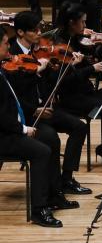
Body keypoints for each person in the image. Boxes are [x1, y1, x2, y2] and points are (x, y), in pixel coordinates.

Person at [7, 11, 91, 197]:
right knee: (50, 137)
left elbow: (50, 83)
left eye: (40, 28)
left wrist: (66, 66)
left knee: (79, 127)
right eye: (35, 30)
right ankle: (53, 190)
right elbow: (13, 94)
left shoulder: (39, 52)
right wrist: (34, 107)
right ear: (20, 32)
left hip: (44, 107)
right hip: (27, 114)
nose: (40, 33)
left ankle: (66, 179)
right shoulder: (10, 57)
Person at [0, 25, 71, 227]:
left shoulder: (3, 68)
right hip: (4, 135)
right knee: (41, 152)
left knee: (49, 138)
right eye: (5, 43)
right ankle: (39, 210)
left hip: (11, 128)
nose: (8, 47)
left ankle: (54, 194)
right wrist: (23, 129)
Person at [46, 2, 102, 165]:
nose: (85, 25)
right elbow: (63, 81)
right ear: (71, 22)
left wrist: (98, 54)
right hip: (70, 98)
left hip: (85, 92)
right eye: (82, 21)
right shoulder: (59, 45)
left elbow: (91, 58)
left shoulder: (77, 40)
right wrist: (90, 68)